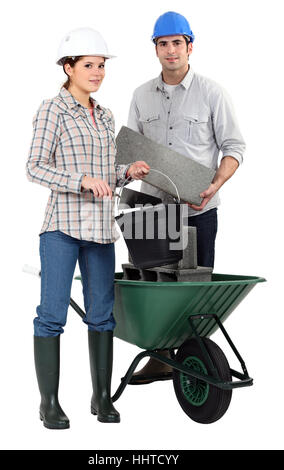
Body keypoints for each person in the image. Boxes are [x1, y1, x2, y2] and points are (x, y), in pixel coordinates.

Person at [26, 27, 150, 428]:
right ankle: (49, 403)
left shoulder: (106, 114)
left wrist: (124, 172)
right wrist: (79, 180)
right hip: (61, 228)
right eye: (88, 65)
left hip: (99, 230)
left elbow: (104, 175)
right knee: (52, 314)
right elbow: (35, 166)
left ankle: (101, 398)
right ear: (68, 67)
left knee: (102, 316)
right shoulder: (52, 110)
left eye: (101, 65)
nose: (97, 72)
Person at [127, 11, 246, 384]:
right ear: (156, 50)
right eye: (163, 44)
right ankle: (161, 356)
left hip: (198, 209)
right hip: (152, 211)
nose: (170, 50)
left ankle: (196, 360)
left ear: (189, 47)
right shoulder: (141, 95)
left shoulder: (212, 93)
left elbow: (234, 147)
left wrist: (216, 184)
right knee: (154, 288)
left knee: (195, 293)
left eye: (177, 43)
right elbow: (130, 148)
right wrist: (131, 167)